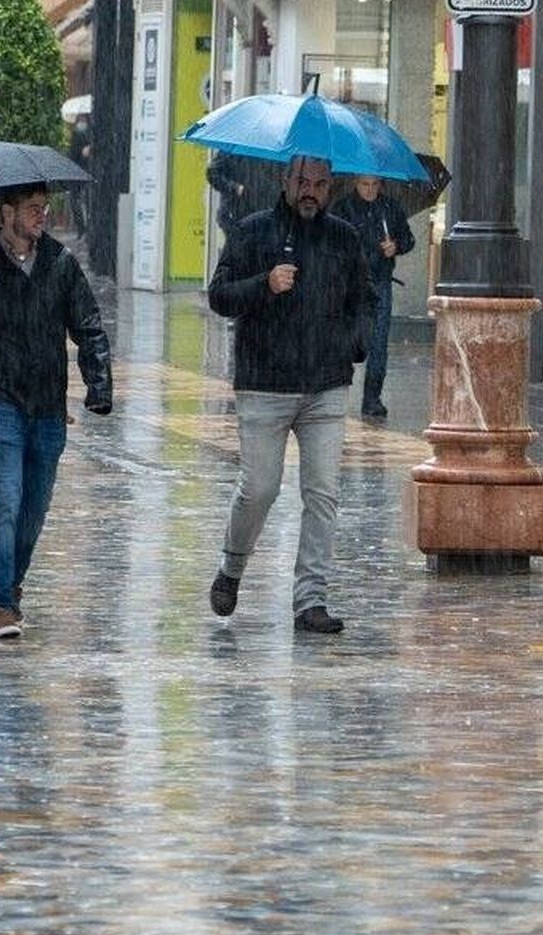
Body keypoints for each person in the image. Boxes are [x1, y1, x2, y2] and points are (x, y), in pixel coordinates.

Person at [205, 154, 373, 634]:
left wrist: (355, 342)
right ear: (286, 180)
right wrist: (266, 283)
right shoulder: (255, 230)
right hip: (264, 383)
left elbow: (365, 299)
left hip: (326, 385)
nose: (311, 191)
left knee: (322, 493)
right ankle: (232, 568)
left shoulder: (343, 238)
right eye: (303, 180)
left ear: (329, 189)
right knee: (259, 488)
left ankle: (310, 601)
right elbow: (220, 295)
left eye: (320, 184)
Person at [0, 183, 112, 640]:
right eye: (33, 209)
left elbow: (89, 326)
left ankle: (12, 583)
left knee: (33, 509)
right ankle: (1, 604)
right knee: (4, 499)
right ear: (7, 213)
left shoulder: (60, 264)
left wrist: (99, 385)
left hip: (46, 406)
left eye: (45, 208)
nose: (43, 216)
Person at [329, 175, 415, 418]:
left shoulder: (390, 208)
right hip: (350, 284)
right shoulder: (342, 208)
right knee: (346, 340)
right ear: (356, 183)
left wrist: (396, 246)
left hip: (380, 283)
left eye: (375, 184)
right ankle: (336, 391)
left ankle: (372, 398)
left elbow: (408, 239)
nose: (370, 190)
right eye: (365, 184)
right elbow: (331, 242)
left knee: (379, 342)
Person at [207, 151, 272, 237]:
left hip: (262, 216)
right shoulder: (231, 148)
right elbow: (212, 174)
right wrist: (234, 187)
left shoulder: (267, 149)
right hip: (235, 216)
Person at [67, 115, 92, 237]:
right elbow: (73, 154)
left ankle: (84, 230)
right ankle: (81, 229)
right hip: (76, 173)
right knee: (76, 202)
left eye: (83, 120)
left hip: (85, 173)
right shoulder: (76, 135)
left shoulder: (90, 134)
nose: (81, 123)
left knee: (83, 201)